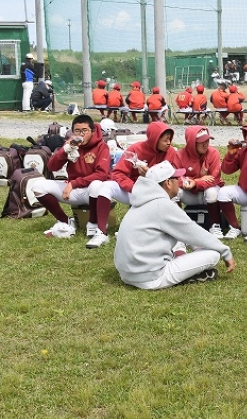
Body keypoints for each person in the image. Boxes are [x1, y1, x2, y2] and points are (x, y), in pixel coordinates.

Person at [114, 161, 235, 290]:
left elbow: (185, 232)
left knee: (178, 233)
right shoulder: (162, 205)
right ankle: (185, 275)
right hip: (151, 278)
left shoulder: (141, 201)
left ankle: (183, 265)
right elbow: (193, 232)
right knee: (213, 254)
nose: (180, 181)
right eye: (176, 178)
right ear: (168, 183)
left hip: (127, 275)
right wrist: (225, 251)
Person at [87, 121, 177, 249]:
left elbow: (173, 179)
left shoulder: (171, 152)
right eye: (165, 140)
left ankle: (139, 232)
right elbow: (118, 173)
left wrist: (150, 175)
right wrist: (134, 187)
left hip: (157, 194)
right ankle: (101, 232)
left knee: (175, 197)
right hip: (134, 190)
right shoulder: (135, 149)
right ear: (155, 139)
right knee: (106, 186)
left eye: (170, 139)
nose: (169, 143)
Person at [34, 115, 110, 239]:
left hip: (92, 192)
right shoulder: (71, 144)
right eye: (77, 131)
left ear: (92, 131)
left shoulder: (102, 146)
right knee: (38, 186)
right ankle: (65, 221)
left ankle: (93, 223)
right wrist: (64, 150)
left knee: (97, 185)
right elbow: (52, 167)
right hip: (72, 190)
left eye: (85, 130)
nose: (81, 134)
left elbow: (102, 174)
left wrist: (73, 184)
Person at [173, 126, 225, 238]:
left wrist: (196, 183)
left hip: (208, 194)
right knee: (174, 192)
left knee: (212, 192)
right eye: (201, 142)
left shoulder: (213, 152)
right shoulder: (179, 155)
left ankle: (215, 226)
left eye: (207, 140)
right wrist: (197, 180)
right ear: (192, 143)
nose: (205, 144)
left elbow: (214, 178)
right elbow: (177, 178)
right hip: (190, 195)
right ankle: (179, 225)